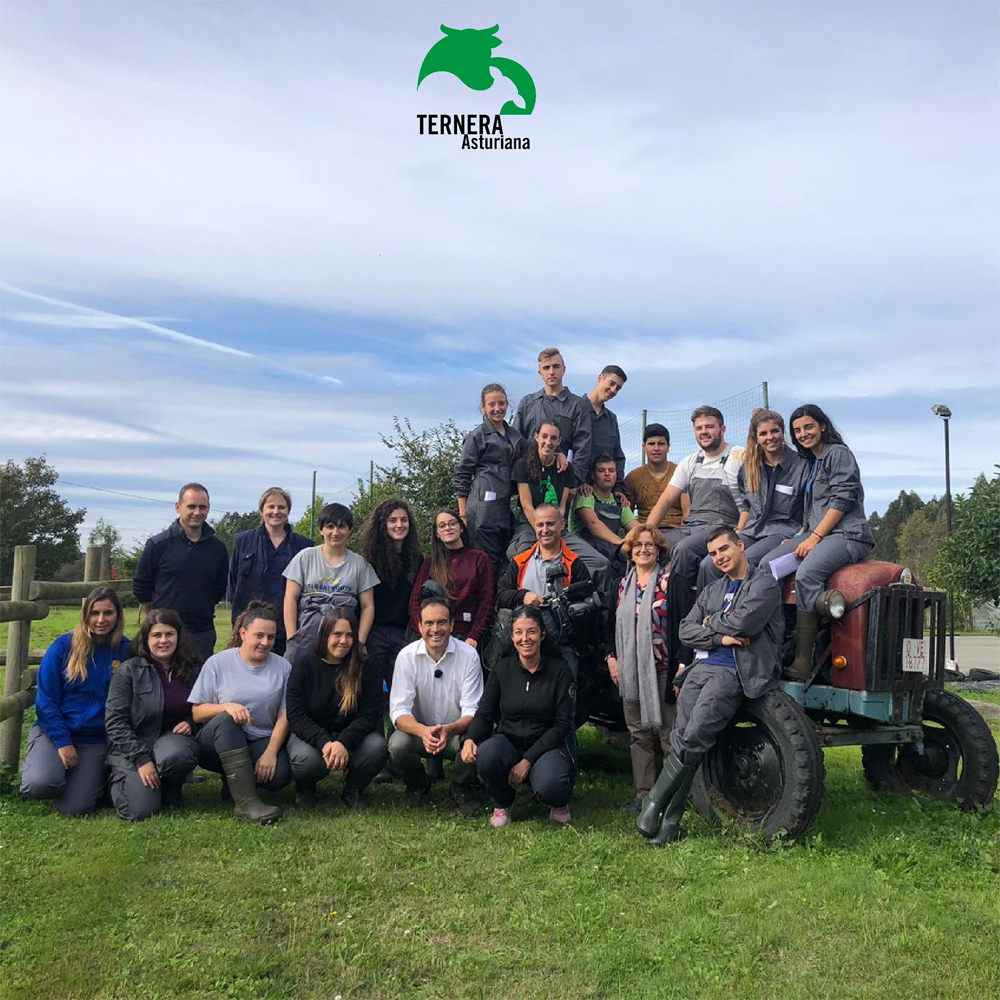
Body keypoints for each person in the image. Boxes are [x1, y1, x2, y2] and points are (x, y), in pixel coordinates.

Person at [637, 527, 782, 846]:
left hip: (735, 671)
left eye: (724, 549)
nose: (719, 557)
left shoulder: (764, 583)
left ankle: (654, 804)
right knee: (680, 738)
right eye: (714, 553)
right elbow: (685, 630)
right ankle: (672, 823)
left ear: (741, 546)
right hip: (701, 667)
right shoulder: (713, 589)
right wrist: (718, 636)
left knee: (695, 735)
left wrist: (709, 623)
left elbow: (746, 622)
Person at [760, 404, 875, 679]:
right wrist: (802, 533)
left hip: (847, 535)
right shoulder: (814, 462)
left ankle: (803, 661)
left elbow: (842, 500)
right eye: (797, 430)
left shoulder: (838, 454)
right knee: (767, 564)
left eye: (808, 427)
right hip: (817, 532)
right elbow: (815, 509)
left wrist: (814, 537)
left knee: (808, 573)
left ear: (823, 426)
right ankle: (775, 646)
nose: (803, 434)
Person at [189, 602, 313, 822]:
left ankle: (234, 783)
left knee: (279, 777)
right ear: (243, 633)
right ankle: (246, 804)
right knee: (228, 719)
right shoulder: (217, 663)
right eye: (259, 635)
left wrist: (271, 753)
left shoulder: (283, 667)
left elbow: (285, 715)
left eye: (271, 637)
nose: (265, 643)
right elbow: (198, 713)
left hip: (260, 740)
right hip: (216, 742)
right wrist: (227, 706)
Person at [644, 407, 743, 668]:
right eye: (699, 428)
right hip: (693, 524)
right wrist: (644, 535)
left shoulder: (737, 457)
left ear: (722, 429)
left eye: (709, 427)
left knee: (684, 550)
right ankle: (652, 617)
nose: (704, 432)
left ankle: (687, 626)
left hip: (722, 526)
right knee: (650, 548)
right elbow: (666, 500)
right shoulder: (691, 461)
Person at [20, 587, 131, 816]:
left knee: (76, 808)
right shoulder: (62, 647)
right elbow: (46, 700)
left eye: (108, 613)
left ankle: (93, 779)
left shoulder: (126, 650)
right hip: (55, 731)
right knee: (41, 784)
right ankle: (50, 767)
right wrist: (62, 742)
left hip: (96, 738)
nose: (101, 620)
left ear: (118, 615)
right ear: (85, 615)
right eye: (94, 613)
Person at [461, 606, 575, 827]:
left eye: (531, 632)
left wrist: (527, 761)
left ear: (542, 634)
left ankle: (558, 801)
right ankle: (502, 803)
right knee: (486, 754)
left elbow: (562, 725)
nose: (525, 639)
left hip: (547, 746)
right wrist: (470, 739)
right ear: (512, 636)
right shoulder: (502, 669)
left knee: (551, 784)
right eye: (519, 632)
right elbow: (485, 713)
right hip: (509, 741)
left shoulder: (560, 671)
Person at [285, 608, 389, 809]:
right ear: (324, 635)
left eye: (349, 635)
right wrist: (325, 743)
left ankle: (354, 787)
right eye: (337, 634)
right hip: (312, 737)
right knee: (305, 760)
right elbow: (296, 715)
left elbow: (370, 714)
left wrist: (343, 742)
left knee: (377, 748)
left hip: (352, 737)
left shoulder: (367, 666)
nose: (343, 641)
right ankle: (306, 788)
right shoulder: (304, 663)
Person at [105, 609, 203, 821]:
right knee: (139, 811)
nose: (163, 641)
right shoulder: (129, 671)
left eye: (169, 634)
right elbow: (115, 722)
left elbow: (205, 707)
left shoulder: (193, 669)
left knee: (176, 756)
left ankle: (171, 784)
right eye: (156, 635)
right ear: (146, 639)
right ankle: (119, 783)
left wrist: (190, 723)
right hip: (133, 745)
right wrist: (141, 760)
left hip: (171, 741)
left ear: (179, 636)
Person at [604, 524, 675, 813]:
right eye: (638, 546)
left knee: (668, 733)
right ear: (630, 553)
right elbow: (609, 624)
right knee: (637, 733)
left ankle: (672, 795)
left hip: (662, 667)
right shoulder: (621, 585)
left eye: (649, 545)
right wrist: (611, 657)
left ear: (659, 550)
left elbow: (681, 622)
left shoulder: (669, 581)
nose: (643, 549)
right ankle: (644, 795)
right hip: (630, 670)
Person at [696, 410, 809, 589]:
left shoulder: (802, 466)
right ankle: (708, 613)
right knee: (708, 564)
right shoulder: (749, 467)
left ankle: (743, 612)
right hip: (752, 531)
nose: (770, 437)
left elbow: (809, 509)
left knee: (744, 561)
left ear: (783, 432)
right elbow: (746, 505)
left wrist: (798, 537)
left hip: (781, 532)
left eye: (774, 431)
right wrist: (738, 531)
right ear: (756, 438)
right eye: (763, 433)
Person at [388, 598, 483, 810]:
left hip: (456, 732)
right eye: (429, 623)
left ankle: (461, 786)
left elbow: (473, 711)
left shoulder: (469, 656)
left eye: (441, 622)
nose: (435, 629)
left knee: (478, 744)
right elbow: (398, 711)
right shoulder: (406, 656)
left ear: (452, 625)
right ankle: (417, 784)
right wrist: (423, 731)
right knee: (397, 745)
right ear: (419, 626)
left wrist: (448, 730)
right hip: (420, 733)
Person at [133, 483, 229, 660]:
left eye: (203, 507)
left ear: (208, 509)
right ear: (178, 507)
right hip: (164, 634)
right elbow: (141, 587)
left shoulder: (218, 549)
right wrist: (157, 617)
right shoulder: (158, 545)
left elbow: (219, 588)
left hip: (202, 632)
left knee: (198, 686)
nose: (197, 512)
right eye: (191, 506)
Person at [507, 422, 609, 586]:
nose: (548, 442)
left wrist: (556, 529)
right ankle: (519, 607)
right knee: (521, 560)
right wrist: (542, 530)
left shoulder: (565, 469)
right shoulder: (523, 465)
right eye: (545, 436)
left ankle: (586, 605)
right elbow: (527, 505)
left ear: (559, 441)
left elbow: (562, 506)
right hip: (529, 525)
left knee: (600, 563)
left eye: (553, 438)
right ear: (536, 436)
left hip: (557, 527)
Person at [282, 502, 379, 663]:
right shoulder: (304, 557)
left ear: (349, 530)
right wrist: (292, 638)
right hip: (306, 639)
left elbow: (368, 606)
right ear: (321, 529)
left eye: (341, 527)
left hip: (344, 642)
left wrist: (359, 642)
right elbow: (290, 598)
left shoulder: (360, 564)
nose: (335, 532)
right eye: (330, 526)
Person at [228, 486, 312, 656]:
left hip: (288, 629)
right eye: (270, 507)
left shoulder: (304, 546)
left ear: (288, 511)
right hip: (250, 625)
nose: (276, 511)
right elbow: (232, 582)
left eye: (281, 507)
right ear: (262, 511)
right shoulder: (243, 541)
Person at [454, 383, 525, 575]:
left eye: (501, 403)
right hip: (481, 508)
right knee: (485, 561)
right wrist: (463, 516)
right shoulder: (477, 437)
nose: (497, 408)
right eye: (491, 404)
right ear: (483, 408)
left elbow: (533, 456)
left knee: (505, 558)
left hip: (503, 506)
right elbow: (462, 474)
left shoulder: (514, 435)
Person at [362, 499, 422, 709]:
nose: (399, 525)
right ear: (383, 524)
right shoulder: (369, 559)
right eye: (393, 520)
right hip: (374, 633)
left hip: (403, 633)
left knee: (402, 690)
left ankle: (402, 735)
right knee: (373, 691)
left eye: (404, 520)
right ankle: (375, 736)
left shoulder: (416, 559)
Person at [409, 509, 494, 649]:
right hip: (434, 636)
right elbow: (414, 601)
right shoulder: (430, 563)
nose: (447, 528)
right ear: (437, 533)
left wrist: (475, 635)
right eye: (442, 526)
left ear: (461, 527)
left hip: (467, 637)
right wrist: (422, 631)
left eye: (452, 523)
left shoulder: (479, 558)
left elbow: (487, 600)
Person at [511, 347, 593, 481]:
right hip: (530, 478)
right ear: (540, 372)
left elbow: (583, 447)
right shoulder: (527, 403)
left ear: (564, 370)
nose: (551, 372)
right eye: (546, 368)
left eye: (556, 367)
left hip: (562, 479)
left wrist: (574, 481)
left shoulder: (578, 405)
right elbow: (516, 442)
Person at [569, 453, 637, 580]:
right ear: (593, 476)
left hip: (612, 551)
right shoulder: (586, 495)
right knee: (603, 563)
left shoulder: (619, 501)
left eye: (611, 471)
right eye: (601, 471)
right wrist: (621, 542)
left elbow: (635, 527)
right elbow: (593, 523)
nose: (607, 474)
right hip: (587, 553)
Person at [624, 423, 686, 531]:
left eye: (661, 444)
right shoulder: (633, 477)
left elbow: (687, 513)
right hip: (644, 531)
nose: (656, 448)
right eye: (651, 444)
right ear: (644, 447)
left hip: (675, 530)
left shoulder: (681, 472)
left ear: (668, 447)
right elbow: (627, 516)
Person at [582, 365, 629, 494]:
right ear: (600, 378)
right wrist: (578, 482)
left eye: (618, 388)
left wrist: (618, 488)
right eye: (612, 384)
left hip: (604, 495)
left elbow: (617, 456)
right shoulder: (575, 409)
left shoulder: (611, 419)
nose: (613, 390)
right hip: (576, 491)